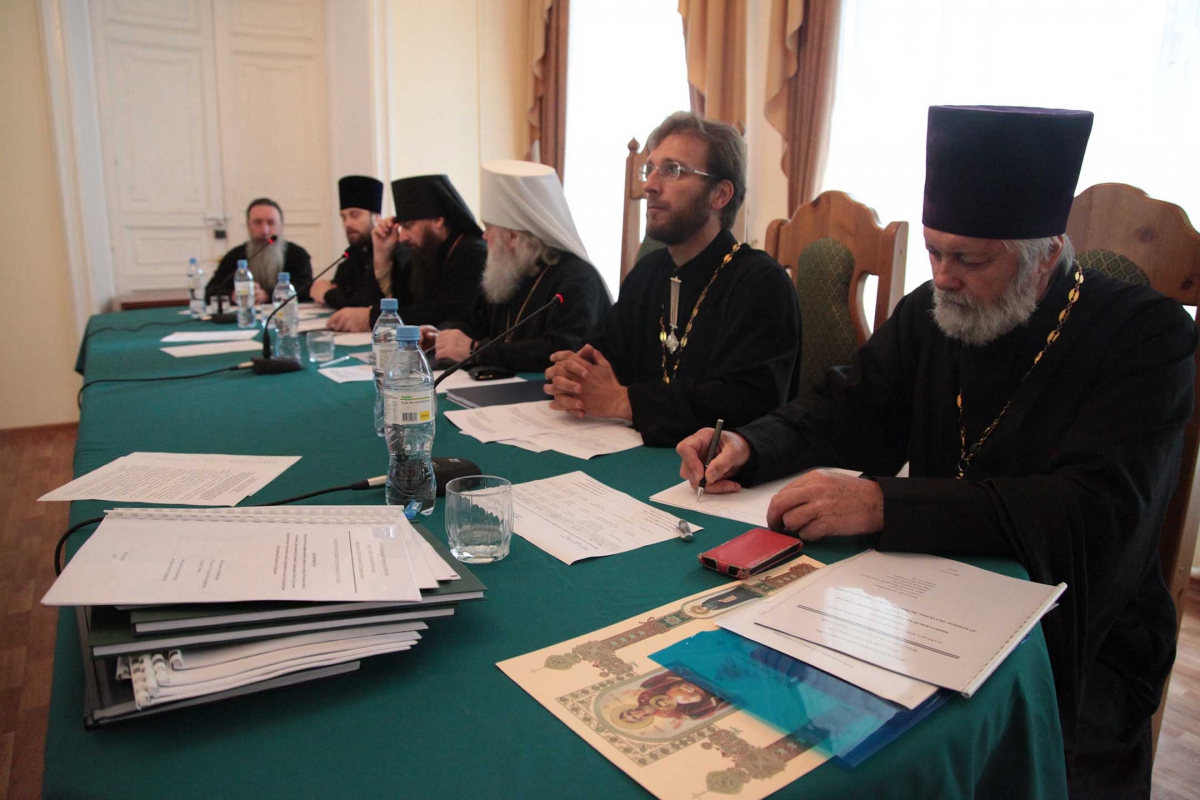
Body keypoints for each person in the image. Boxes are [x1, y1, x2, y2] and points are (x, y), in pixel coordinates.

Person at [676, 105, 1197, 798]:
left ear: (1045, 254)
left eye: (970, 260)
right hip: (919, 602)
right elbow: (849, 406)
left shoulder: (1148, 337)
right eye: (933, 252)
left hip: (1077, 638)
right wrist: (750, 443)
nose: (944, 277)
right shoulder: (935, 310)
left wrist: (884, 504)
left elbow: (1093, 509)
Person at [543, 112, 800, 447]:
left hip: (715, 472)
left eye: (672, 170)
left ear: (720, 195)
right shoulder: (648, 273)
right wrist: (573, 375)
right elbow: (603, 355)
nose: (649, 185)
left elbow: (750, 402)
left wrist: (625, 402)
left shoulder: (761, 284)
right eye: (650, 169)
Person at [429, 160, 611, 372]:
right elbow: (469, 321)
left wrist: (476, 351)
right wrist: (442, 337)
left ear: (513, 237)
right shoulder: (509, 272)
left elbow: (563, 351)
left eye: (489, 228)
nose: (484, 236)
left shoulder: (578, 279)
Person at [328, 174, 484, 332]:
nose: (402, 237)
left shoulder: (472, 253)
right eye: (401, 227)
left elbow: (447, 313)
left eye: (408, 226)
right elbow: (402, 304)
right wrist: (382, 256)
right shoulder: (426, 253)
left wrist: (371, 318)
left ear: (438, 220)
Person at [311, 175, 408, 311]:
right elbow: (342, 288)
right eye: (343, 217)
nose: (347, 223)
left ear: (376, 217)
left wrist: (327, 294)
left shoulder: (397, 251)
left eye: (354, 215)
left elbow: (370, 300)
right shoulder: (353, 252)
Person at [206, 198, 312, 303]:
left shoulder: (297, 254)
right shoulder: (236, 255)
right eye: (257, 223)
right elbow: (210, 291)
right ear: (248, 226)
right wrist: (233, 295)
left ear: (281, 225)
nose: (264, 231)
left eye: (271, 223)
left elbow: (308, 289)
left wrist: (268, 295)